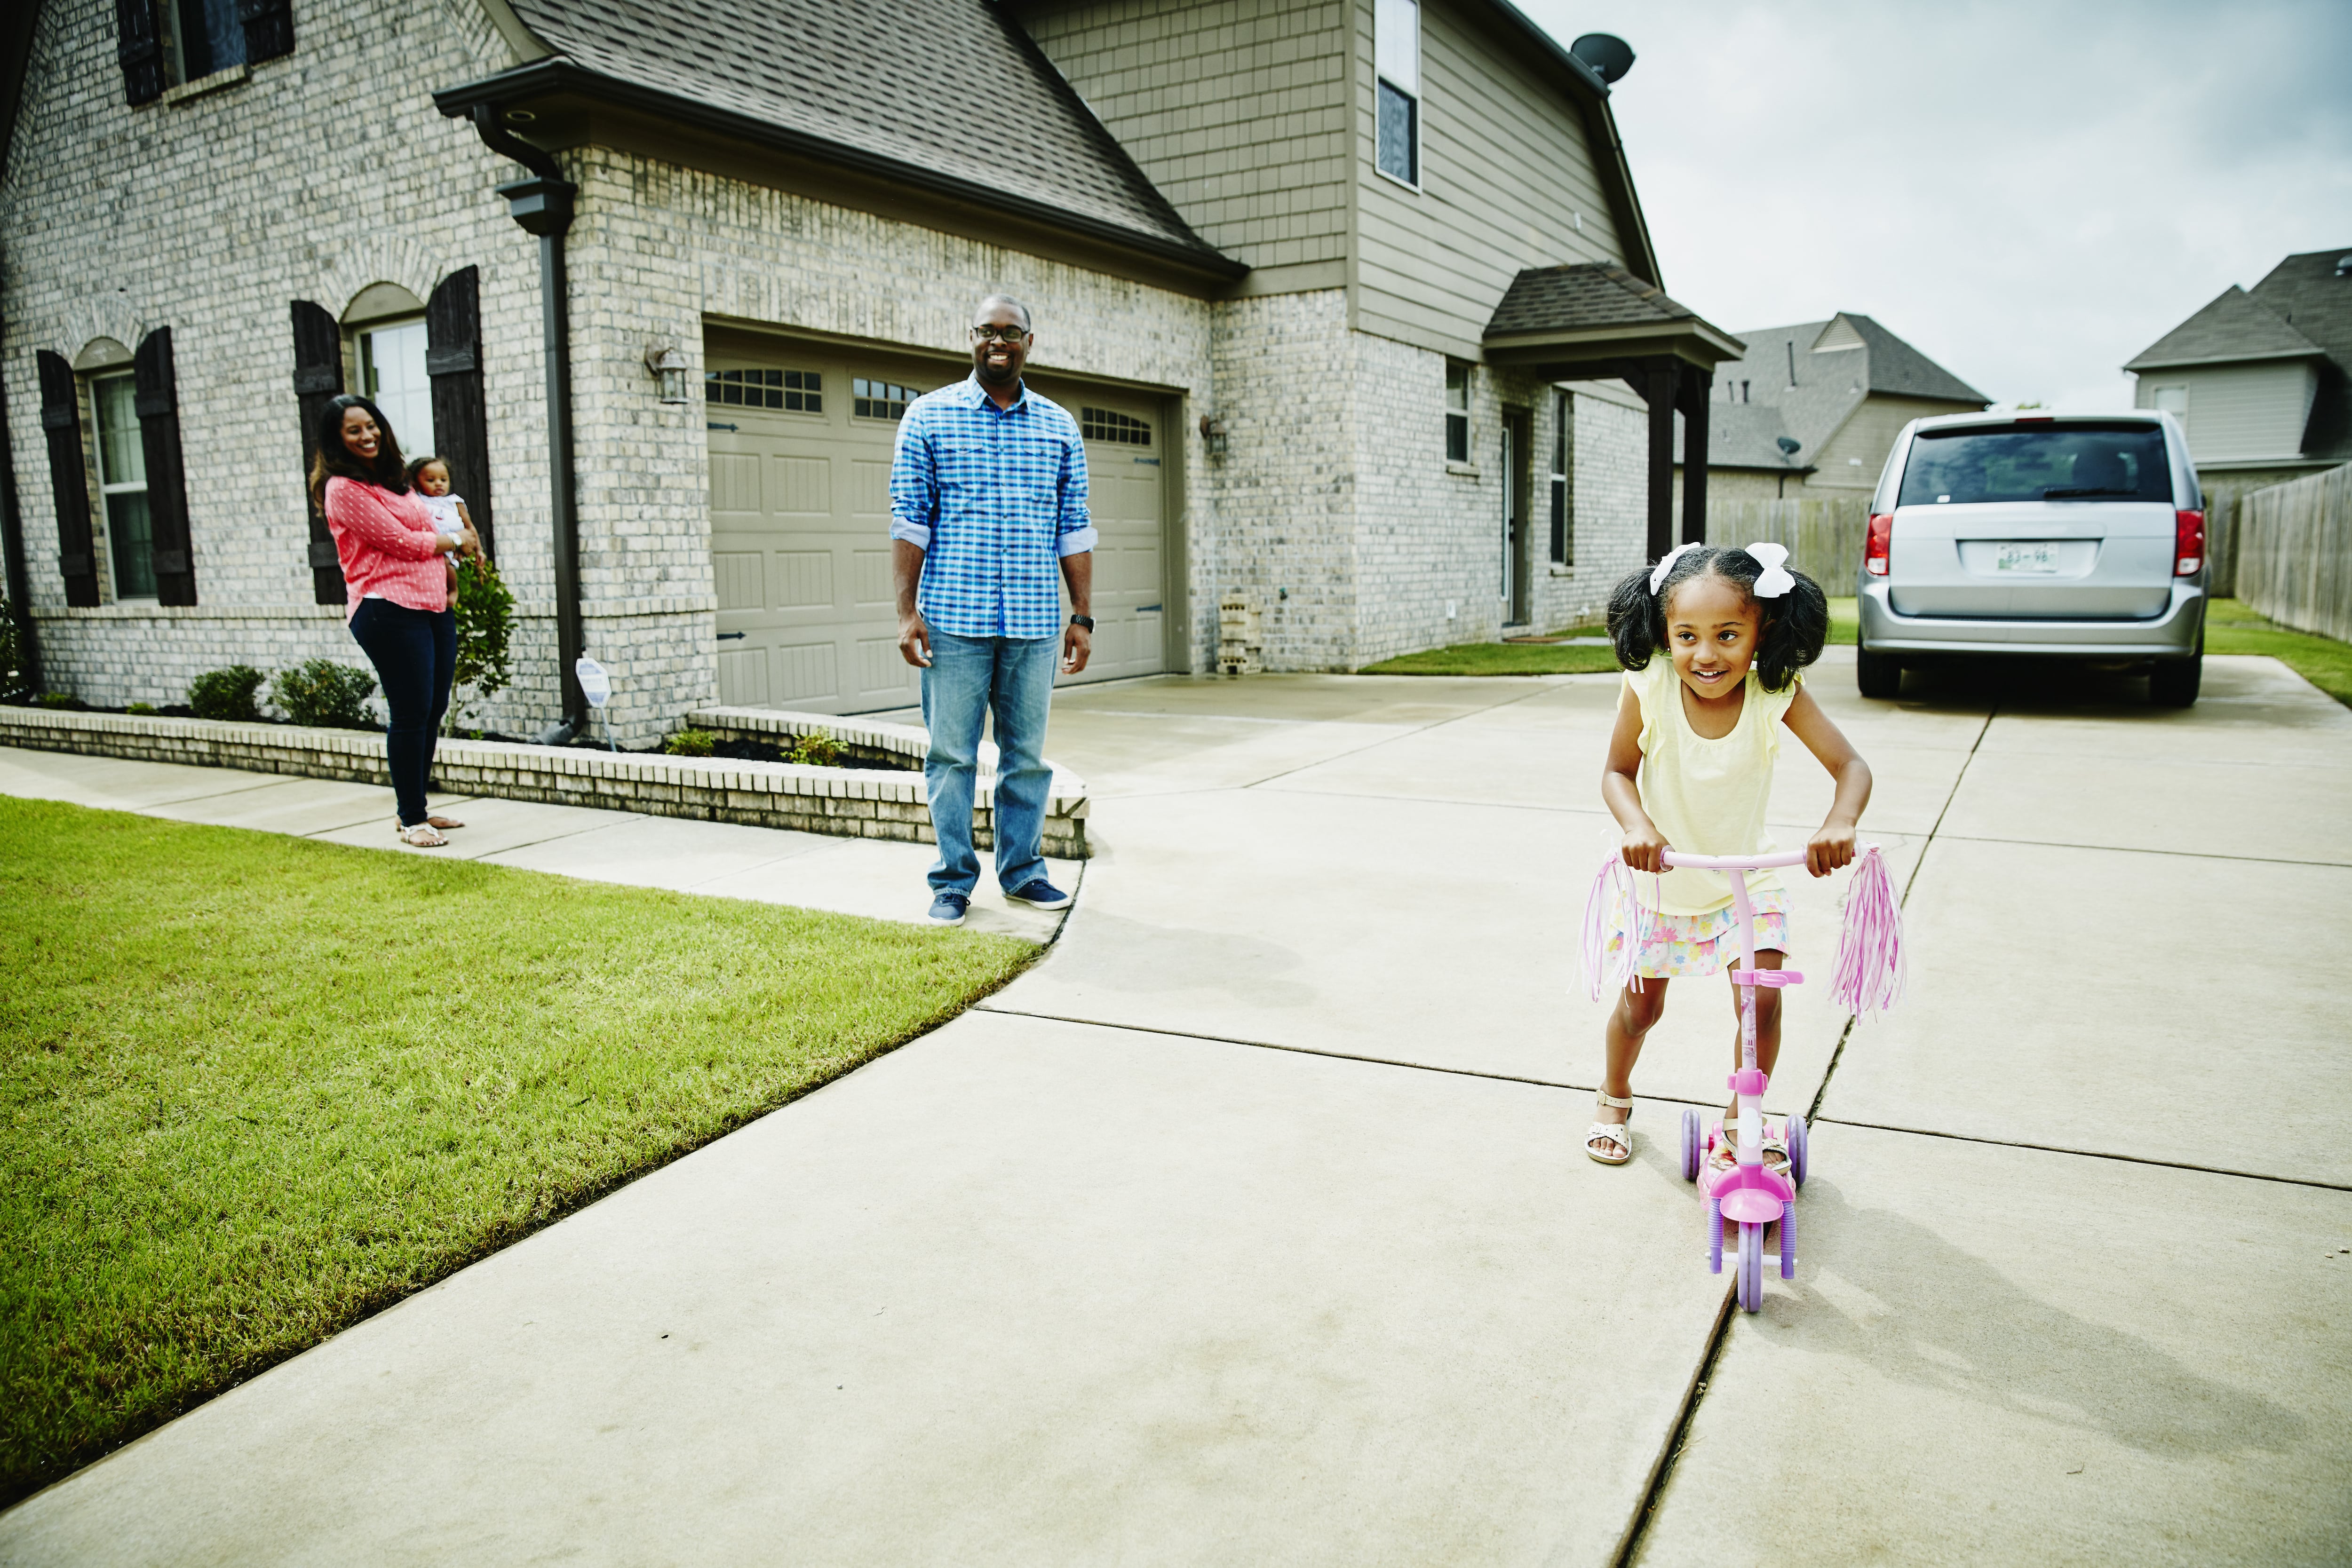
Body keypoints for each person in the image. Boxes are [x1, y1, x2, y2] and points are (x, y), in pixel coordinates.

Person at [1584, 542, 1873, 1169]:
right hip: (1662, 882)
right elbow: (1616, 772)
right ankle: (1615, 1093)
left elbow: (1850, 765)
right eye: (1686, 635)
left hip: (1747, 878)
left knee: (1760, 998)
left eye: (1727, 634)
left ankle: (1744, 1116)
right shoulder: (1651, 685)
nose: (1706, 654)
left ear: (1761, 631)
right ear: (1664, 632)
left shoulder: (1775, 691)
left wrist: (1840, 820)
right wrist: (1638, 825)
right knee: (1641, 1008)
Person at [889, 294, 1094, 925]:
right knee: (951, 756)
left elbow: (1075, 527)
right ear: (971, 338)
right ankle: (952, 881)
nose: (997, 342)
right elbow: (909, 522)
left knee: (1025, 759)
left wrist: (1082, 615)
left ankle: (1024, 873)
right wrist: (906, 612)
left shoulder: (1059, 426)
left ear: (1031, 341)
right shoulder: (928, 417)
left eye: (1010, 332)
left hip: (1034, 622)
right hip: (953, 620)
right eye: (986, 331)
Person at [312, 395, 478, 847]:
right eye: (354, 430)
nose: (367, 436)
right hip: (385, 607)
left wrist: (450, 567)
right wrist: (454, 540)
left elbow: (422, 529)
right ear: (337, 439)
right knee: (410, 711)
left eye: (371, 426)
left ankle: (417, 807)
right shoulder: (343, 489)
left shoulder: (395, 480)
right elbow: (401, 542)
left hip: (431, 605)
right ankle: (411, 820)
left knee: (432, 708)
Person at [405, 454, 475, 595]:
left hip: (451, 545)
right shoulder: (417, 500)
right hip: (432, 544)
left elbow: (470, 527)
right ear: (417, 483)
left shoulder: (454, 501)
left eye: (443, 480)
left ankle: (453, 591)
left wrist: (478, 550)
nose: (439, 484)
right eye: (431, 480)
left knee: (447, 564)